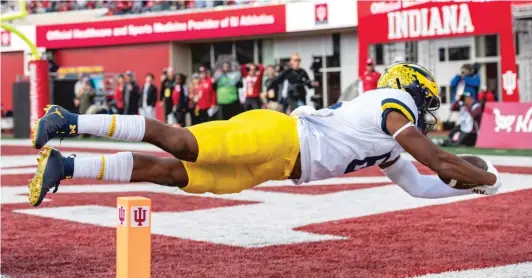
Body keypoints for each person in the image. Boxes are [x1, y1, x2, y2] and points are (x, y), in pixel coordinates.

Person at [28, 62, 501, 207]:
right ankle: (68, 119)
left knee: (175, 173)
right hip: (279, 136)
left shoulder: (387, 141)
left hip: (275, 168)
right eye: (428, 99)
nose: (430, 110)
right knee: (180, 141)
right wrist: (484, 178)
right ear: (409, 89)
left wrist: (466, 185)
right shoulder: (388, 106)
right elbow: (437, 162)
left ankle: (64, 166)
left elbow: (421, 184)